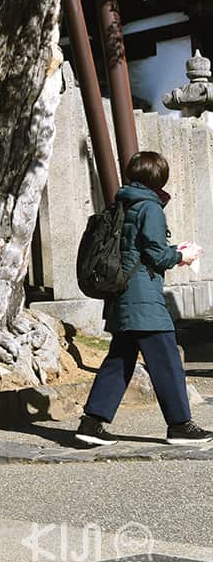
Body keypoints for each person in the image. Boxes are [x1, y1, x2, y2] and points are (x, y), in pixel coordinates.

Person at [75, 152, 213, 447]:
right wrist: (181, 256)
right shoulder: (150, 207)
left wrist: (173, 250)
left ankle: (91, 423)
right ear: (159, 179)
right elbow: (155, 254)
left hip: (122, 295)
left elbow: (136, 249)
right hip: (143, 299)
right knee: (166, 361)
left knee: (120, 360)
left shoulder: (124, 203)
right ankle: (179, 425)